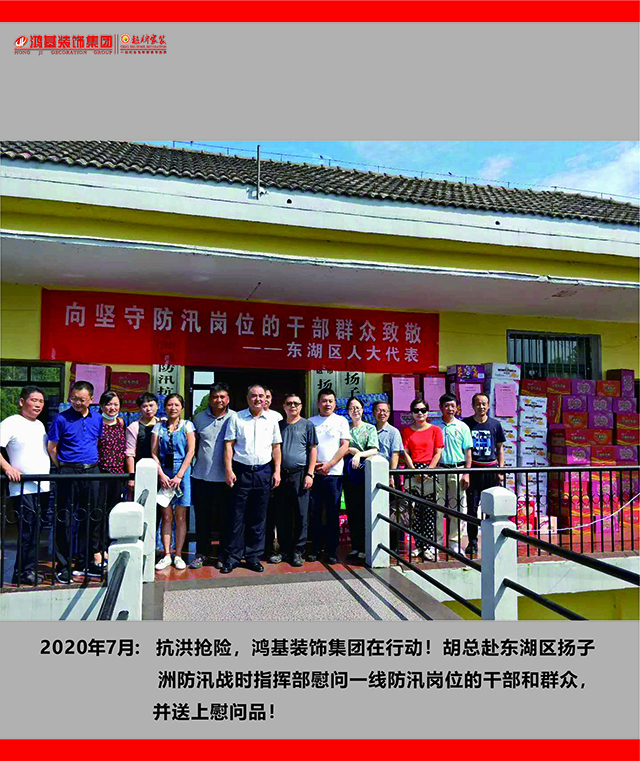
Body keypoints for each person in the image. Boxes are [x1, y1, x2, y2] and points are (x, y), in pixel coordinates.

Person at [47, 380, 103, 582]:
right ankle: (63, 566)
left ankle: (85, 562)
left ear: (91, 399)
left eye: (82, 399)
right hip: (68, 471)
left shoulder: (98, 418)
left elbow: (96, 441)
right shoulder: (61, 418)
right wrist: (62, 467)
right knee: (65, 518)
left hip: (92, 471)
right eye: (74, 399)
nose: (77, 403)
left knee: (91, 518)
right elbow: (52, 447)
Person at [222, 385, 282, 574]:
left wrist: (277, 471)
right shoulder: (236, 418)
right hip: (241, 472)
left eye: (261, 396)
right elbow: (229, 445)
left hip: (263, 472)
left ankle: (253, 557)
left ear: (266, 399)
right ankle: (233, 557)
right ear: (248, 398)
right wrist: (228, 470)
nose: (257, 399)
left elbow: (276, 447)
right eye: (254, 396)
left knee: (258, 517)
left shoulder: (272, 420)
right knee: (236, 516)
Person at [0, 386, 50, 585]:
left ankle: (28, 569)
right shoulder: (11, 422)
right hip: (23, 487)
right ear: (22, 402)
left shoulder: (40, 425)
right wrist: (7, 468)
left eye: (41, 401)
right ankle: (21, 572)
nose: (38, 405)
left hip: (42, 486)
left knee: (37, 529)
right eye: (34, 400)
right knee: (27, 529)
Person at [190, 382, 236, 569]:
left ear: (228, 399)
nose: (219, 400)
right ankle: (202, 553)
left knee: (226, 519)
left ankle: (223, 555)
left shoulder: (235, 418)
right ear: (210, 399)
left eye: (222, 397)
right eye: (215, 397)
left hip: (226, 479)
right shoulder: (199, 418)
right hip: (201, 477)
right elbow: (193, 446)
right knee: (203, 519)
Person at [152, 394, 196, 571]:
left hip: (182, 473)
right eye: (170, 405)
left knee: (180, 516)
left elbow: (191, 451)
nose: (173, 408)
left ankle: (178, 554)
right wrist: (161, 475)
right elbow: (154, 453)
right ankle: (166, 554)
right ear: (165, 407)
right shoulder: (158, 427)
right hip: (164, 472)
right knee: (166, 516)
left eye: (177, 405)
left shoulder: (187, 425)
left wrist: (179, 475)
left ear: (182, 407)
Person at [273, 393, 318, 567]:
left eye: (296, 403)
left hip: (300, 474)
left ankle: (298, 551)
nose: (293, 406)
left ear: (301, 406)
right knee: (282, 514)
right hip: (281, 475)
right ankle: (284, 550)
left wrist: (310, 473)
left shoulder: (307, 425)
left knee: (301, 514)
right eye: (289, 403)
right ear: (284, 406)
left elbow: (313, 450)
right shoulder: (279, 425)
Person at [308, 389, 350, 564]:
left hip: (334, 474)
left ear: (335, 403)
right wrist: (315, 466)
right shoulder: (311, 422)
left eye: (330, 401)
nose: (327, 404)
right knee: (315, 513)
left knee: (332, 513)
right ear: (318, 403)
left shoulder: (341, 421)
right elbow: (308, 447)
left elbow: (345, 445)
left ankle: (332, 550)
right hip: (315, 474)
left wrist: (330, 464)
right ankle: (315, 548)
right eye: (324, 401)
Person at [462, 392, 505, 558]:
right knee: (472, 509)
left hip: (491, 470)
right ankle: (472, 542)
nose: (481, 406)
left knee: (490, 508)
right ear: (473, 406)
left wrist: (500, 470)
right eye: (478, 403)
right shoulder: (466, 424)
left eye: (484, 403)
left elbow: (500, 448)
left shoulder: (495, 424)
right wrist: (466, 472)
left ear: (488, 406)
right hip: (474, 470)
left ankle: (489, 541)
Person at [401, 398, 444, 561]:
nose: (420, 413)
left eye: (423, 410)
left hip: (429, 470)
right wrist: (414, 471)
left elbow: (438, 453)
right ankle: (418, 545)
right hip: (413, 470)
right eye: (416, 410)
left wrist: (428, 471)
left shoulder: (435, 430)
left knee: (429, 511)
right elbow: (405, 452)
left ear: (428, 412)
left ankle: (428, 546)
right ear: (412, 413)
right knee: (415, 511)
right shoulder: (406, 431)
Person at [432, 393, 473, 556]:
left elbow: (468, 453)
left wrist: (466, 473)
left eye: (453, 406)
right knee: (437, 507)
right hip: (440, 470)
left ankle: (454, 542)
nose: (450, 409)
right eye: (446, 406)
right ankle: (436, 541)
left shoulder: (463, 427)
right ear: (440, 407)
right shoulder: (434, 426)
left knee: (458, 508)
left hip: (458, 470)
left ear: (457, 408)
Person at [344, 397, 379, 563]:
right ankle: (355, 546)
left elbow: (374, 449)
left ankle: (365, 547)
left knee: (364, 509)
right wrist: (349, 450)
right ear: (347, 411)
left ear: (363, 410)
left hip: (364, 472)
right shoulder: (345, 428)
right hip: (348, 472)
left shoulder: (369, 428)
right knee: (352, 510)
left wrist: (358, 453)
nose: (355, 410)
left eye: (358, 407)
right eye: (352, 408)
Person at [96, 390, 127, 566]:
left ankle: (108, 547)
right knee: (98, 513)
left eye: (115, 404)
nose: (112, 407)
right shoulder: (97, 422)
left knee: (111, 513)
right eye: (108, 404)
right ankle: (97, 550)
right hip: (101, 473)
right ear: (102, 405)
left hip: (118, 475)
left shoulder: (121, 423)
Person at [262, 386, 284, 562]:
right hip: (258, 467)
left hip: (274, 467)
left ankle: (273, 546)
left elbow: (278, 445)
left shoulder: (277, 417)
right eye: (263, 396)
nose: (265, 400)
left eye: (268, 397)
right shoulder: (245, 417)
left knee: (274, 509)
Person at [125, 392, 162, 486]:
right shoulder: (134, 427)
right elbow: (130, 454)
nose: (148, 409)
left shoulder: (163, 424)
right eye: (145, 406)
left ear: (157, 406)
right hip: (142, 470)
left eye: (151, 405)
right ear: (140, 409)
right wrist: (132, 478)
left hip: (162, 470)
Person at [372, 400, 405, 485]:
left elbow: (395, 454)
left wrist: (391, 475)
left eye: (384, 411)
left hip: (388, 472)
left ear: (389, 413)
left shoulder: (394, 432)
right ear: (373, 413)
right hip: (372, 471)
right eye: (378, 410)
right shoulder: (370, 430)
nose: (382, 413)